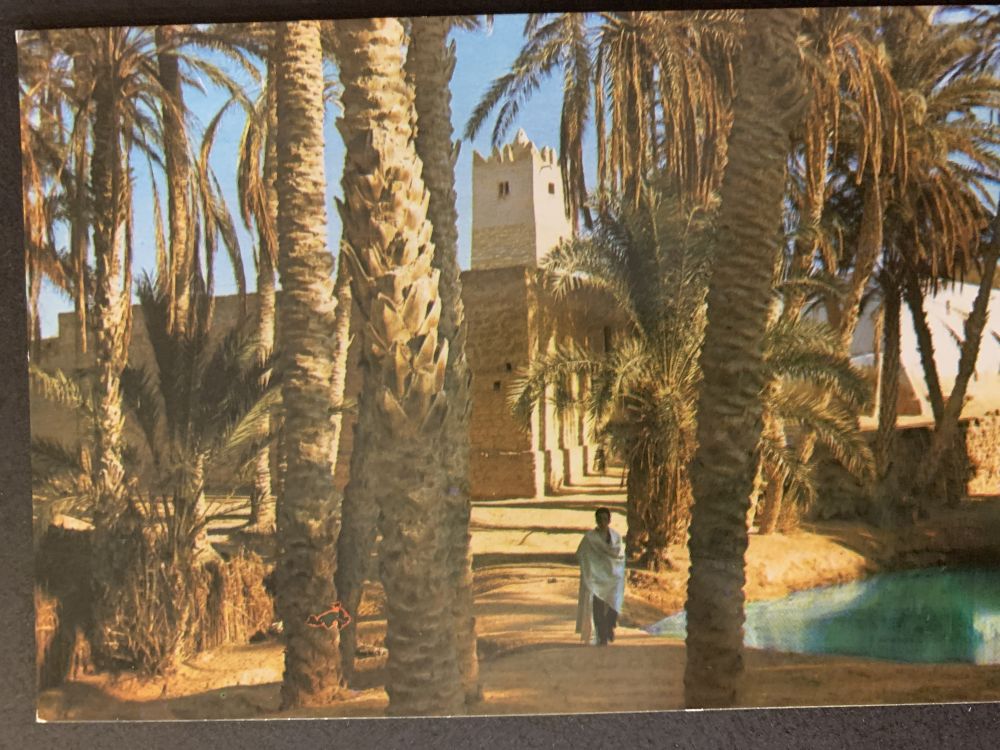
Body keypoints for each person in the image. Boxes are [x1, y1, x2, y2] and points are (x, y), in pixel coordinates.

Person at [575, 507, 625, 646]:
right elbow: (581, 554)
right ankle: (601, 635)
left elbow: (619, 555)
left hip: (612, 577)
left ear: (609, 520)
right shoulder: (589, 538)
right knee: (598, 607)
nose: (602, 522)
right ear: (596, 520)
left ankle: (609, 628)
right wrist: (591, 566)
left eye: (605, 519)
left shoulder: (616, 537)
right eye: (599, 519)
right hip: (596, 578)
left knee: (612, 607)